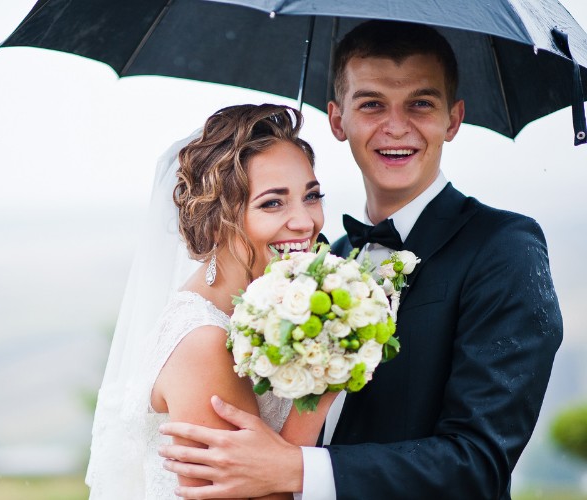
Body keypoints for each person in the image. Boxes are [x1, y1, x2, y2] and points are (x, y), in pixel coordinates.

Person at [158, 20, 563, 500]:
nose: (396, 126)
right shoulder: (320, 262)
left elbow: (479, 463)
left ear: (452, 120)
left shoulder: (504, 248)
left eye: (421, 103)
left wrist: (298, 471)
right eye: (372, 104)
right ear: (337, 119)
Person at [85, 103, 338, 499]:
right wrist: (319, 392)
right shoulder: (203, 342)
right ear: (219, 218)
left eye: (311, 195)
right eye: (273, 202)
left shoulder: (260, 310)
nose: (305, 221)